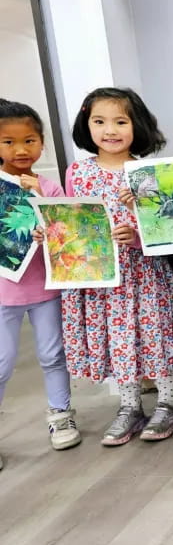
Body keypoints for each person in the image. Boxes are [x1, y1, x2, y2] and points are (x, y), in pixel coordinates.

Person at [60, 88, 173, 445]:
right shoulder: (79, 171)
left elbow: (167, 228)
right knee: (118, 339)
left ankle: (168, 403)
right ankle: (129, 406)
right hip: (102, 276)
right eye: (99, 122)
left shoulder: (147, 172)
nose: (110, 130)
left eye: (121, 121)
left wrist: (135, 233)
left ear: (138, 126)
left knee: (154, 334)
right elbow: (74, 222)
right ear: (87, 126)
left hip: (144, 271)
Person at [0, 99, 80, 467]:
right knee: (2, 362)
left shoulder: (49, 186)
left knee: (52, 354)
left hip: (47, 288)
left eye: (29, 140)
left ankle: (60, 415)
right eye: (8, 142)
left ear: (41, 143)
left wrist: (42, 202)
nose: (20, 150)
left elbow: (69, 230)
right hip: (5, 292)